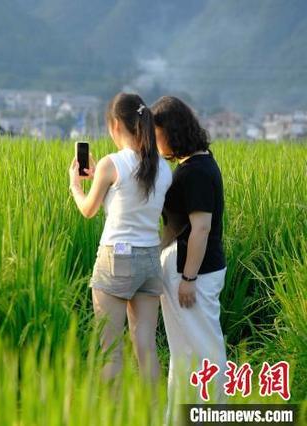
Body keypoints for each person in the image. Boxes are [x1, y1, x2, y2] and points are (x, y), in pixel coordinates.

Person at [69, 93, 172, 385]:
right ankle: (154, 413)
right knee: (147, 348)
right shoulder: (163, 167)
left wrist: (75, 185)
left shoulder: (111, 164)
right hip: (151, 259)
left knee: (110, 349)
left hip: (117, 256)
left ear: (115, 125)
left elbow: (88, 210)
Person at [151, 96, 228, 418]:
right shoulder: (195, 164)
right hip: (189, 266)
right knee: (184, 351)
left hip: (194, 270)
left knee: (203, 348)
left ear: (172, 131)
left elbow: (201, 228)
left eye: (156, 135)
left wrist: (188, 278)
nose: (155, 143)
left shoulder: (195, 171)